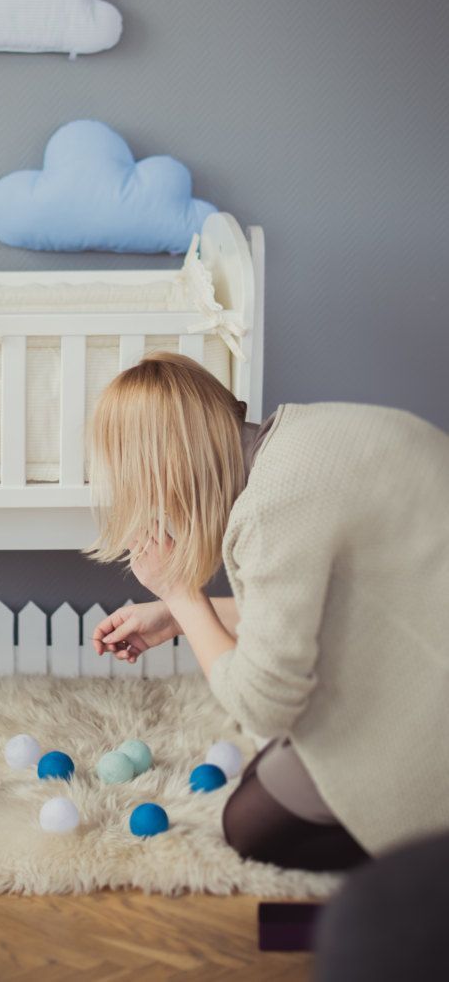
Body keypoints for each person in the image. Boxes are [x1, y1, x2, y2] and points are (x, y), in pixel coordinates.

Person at [89, 352, 449, 871]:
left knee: (248, 822)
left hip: (428, 700)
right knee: (270, 770)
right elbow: (324, 609)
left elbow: (263, 705)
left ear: (166, 470)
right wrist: (174, 617)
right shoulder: (300, 436)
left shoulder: (270, 510)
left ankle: (422, 850)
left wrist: (181, 595)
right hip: (423, 631)